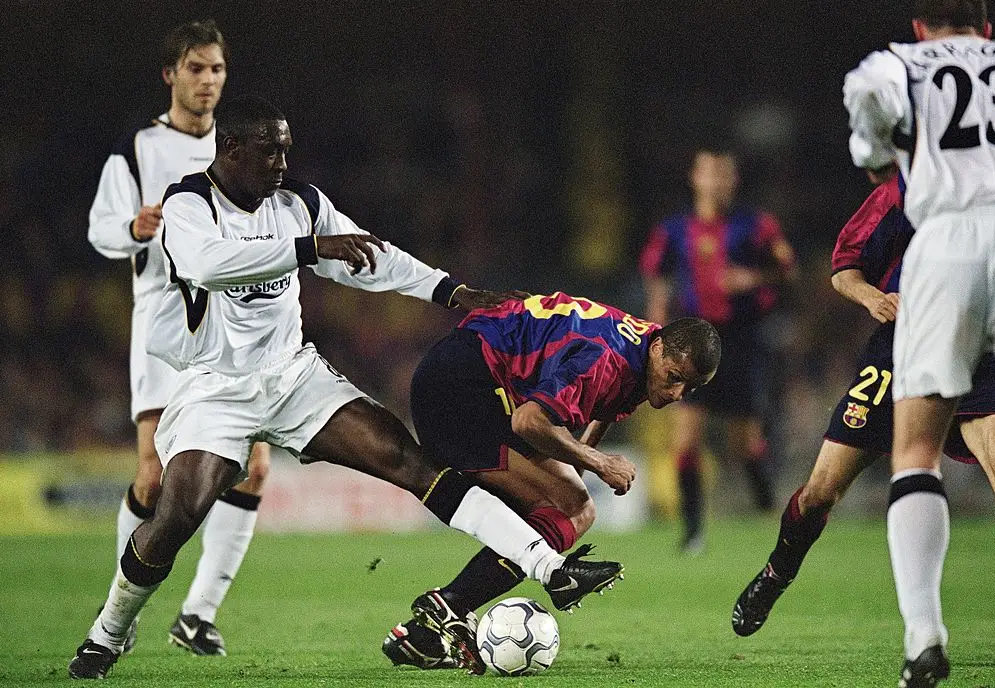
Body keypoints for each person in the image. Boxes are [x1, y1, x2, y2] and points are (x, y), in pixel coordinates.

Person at [68, 95, 626, 680]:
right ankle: (108, 633)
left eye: (286, 150)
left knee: (411, 461)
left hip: (293, 376)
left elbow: (369, 255)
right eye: (269, 151)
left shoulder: (298, 203)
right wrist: (309, 249)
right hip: (216, 389)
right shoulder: (188, 203)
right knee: (178, 515)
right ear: (229, 148)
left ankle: (549, 569)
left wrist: (451, 291)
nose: (282, 164)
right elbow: (209, 264)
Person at [731, 174, 995, 639]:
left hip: (982, 352)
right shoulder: (904, 190)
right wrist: (874, 297)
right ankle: (776, 573)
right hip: (901, 350)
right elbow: (845, 269)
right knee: (821, 491)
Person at [381, 293, 721, 673]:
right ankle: (447, 608)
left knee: (571, 507)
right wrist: (599, 462)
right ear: (658, 348)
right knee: (572, 508)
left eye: (690, 389)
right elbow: (529, 421)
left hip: (474, 378)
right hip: (460, 391)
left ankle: (425, 631)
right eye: (674, 378)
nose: (676, 394)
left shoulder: (643, 346)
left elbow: (605, 404)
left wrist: (579, 465)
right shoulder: (605, 359)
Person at [843, 1, 995, 684]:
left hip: (945, 242)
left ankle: (924, 638)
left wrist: (880, 147)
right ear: (987, 25)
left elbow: (868, 126)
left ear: (921, 27)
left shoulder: (898, 63)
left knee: (917, 449)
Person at [87, 19, 267, 657]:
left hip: (230, 325)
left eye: (217, 69)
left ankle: (197, 615)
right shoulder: (138, 149)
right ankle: (119, 608)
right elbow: (100, 228)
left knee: (252, 468)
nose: (208, 80)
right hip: (165, 322)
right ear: (171, 75)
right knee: (154, 476)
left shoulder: (238, 147)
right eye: (196, 68)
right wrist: (134, 228)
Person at [639, 145, 799, 551]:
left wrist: (753, 278)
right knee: (686, 439)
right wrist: (656, 318)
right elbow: (656, 274)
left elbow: (787, 269)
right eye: (709, 173)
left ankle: (767, 505)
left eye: (723, 175)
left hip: (742, 340)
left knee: (745, 443)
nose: (716, 182)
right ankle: (693, 532)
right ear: (695, 177)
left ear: (734, 180)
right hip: (694, 340)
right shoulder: (674, 229)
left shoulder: (757, 225)